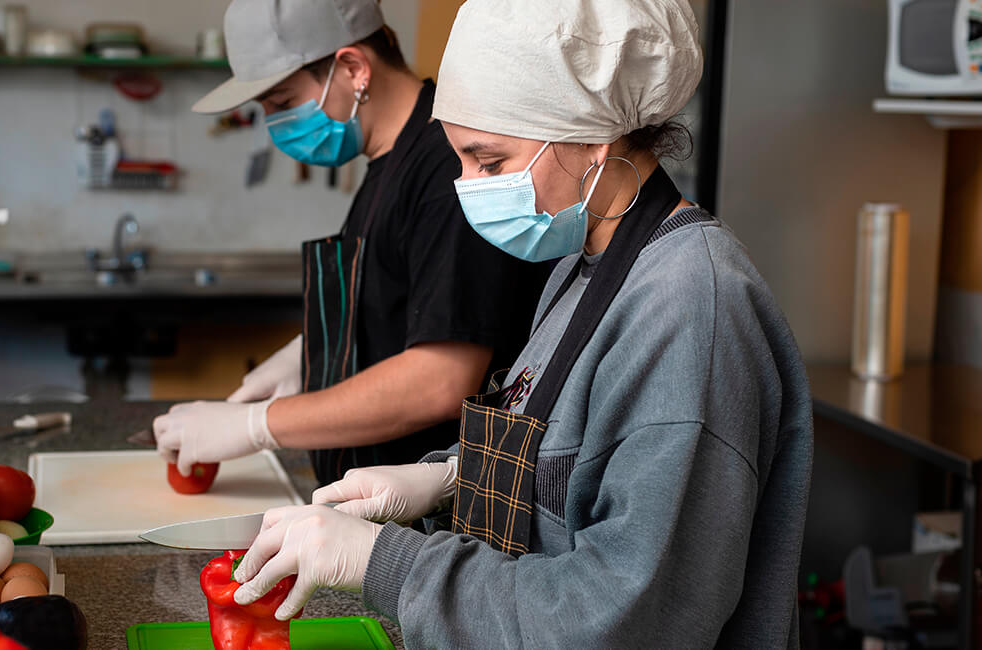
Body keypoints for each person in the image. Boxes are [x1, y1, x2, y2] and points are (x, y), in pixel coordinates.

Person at [225, 0, 815, 647]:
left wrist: (382, 563)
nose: (468, 187)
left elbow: (619, 619)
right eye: (460, 161)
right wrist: (449, 478)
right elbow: (566, 462)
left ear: (593, 137)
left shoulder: (691, 306)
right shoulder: (582, 263)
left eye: (491, 162)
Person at [153, 0, 547, 487]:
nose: (277, 125)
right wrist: (309, 355)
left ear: (354, 67)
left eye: (281, 103)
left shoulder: (448, 167)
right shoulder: (391, 158)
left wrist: (261, 425)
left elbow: (440, 382)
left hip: (433, 513)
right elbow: (397, 297)